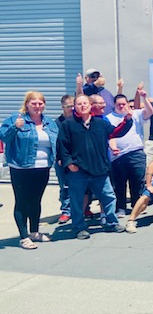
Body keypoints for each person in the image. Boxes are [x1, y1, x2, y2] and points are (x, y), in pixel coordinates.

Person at [56, 94, 132, 239]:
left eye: (85, 103)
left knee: (109, 197)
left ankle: (111, 223)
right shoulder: (68, 125)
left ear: (90, 105)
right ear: (75, 107)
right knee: (77, 201)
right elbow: (62, 147)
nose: (83, 106)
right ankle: (79, 228)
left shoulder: (101, 123)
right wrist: (70, 164)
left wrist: (127, 120)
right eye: (79, 104)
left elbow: (116, 132)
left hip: (100, 170)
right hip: (78, 171)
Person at [0, 91, 58, 250]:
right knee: (22, 201)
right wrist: (14, 127)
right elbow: (3, 136)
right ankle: (23, 237)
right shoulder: (16, 118)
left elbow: (56, 142)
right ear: (27, 104)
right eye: (34, 103)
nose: (37, 106)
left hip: (43, 168)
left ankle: (34, 232)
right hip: (21, 168)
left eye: (40, 103)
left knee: (35, 201)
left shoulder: (49, 122)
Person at [106, 92, 153, 217]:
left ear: (127, 104)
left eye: (124, 104)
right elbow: (109, 136)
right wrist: (113, 147)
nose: (121, 107)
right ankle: (121, 207)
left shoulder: (136, 114)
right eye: (119, 105)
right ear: (114, 105)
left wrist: (144, 97)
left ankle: (136, 206)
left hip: (136, 152)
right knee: (119, 183)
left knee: (137, 181)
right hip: (118, 156)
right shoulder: (108, 118)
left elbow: (150, 112)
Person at [54, 94, 74, 224]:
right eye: (68, 106)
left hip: (77, 159)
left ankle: (84, 208)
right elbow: (55, 143)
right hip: (62, 160)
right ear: (62, 107)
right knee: (65, 186)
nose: (71, 108)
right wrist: (59, 157)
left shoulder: (78, 121)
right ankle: (66, 211)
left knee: (82, 186)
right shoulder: (57, 123)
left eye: (73, 106)